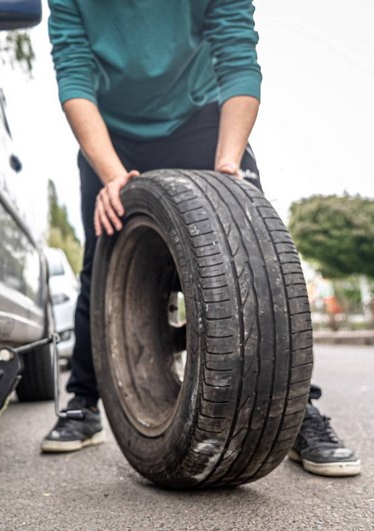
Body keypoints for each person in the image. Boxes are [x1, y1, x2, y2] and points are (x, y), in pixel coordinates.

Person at [40, 0, 360, 478]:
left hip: (201, 119)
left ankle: (296, 413)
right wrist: (111, 176)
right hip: (113, 132)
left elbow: (237, 59)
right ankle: (83, 404)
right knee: (101, 264)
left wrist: (229, 164)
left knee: (258, 258)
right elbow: (74, 75)